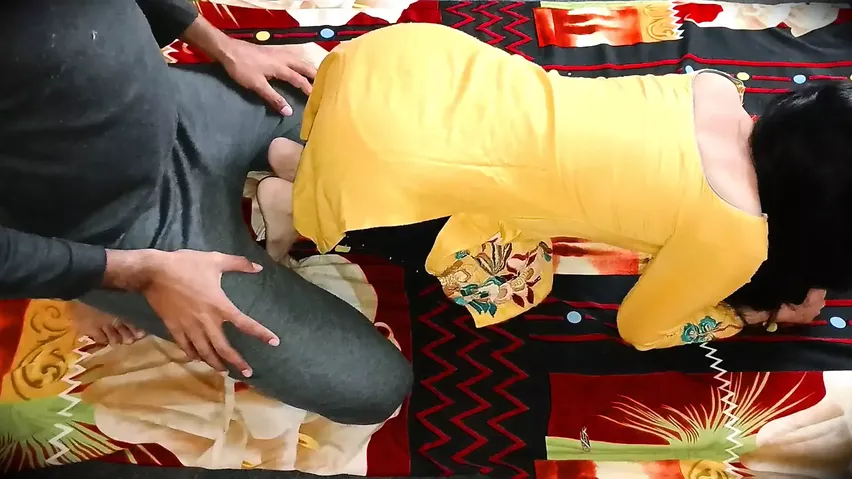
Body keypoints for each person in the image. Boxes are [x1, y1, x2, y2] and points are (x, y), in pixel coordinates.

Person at [258, 23, 852, 350]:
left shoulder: (716, 88)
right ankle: (296, 206)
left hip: (408, 64)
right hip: (395, 164)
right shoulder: (735, 235)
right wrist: (748, 316)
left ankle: (306, 161)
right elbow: (642, 329)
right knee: (518, 284)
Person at [0, 0, 412, 426]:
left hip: (176, 105)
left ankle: (287, 194)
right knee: (374, 388)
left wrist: (221, 44)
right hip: (116, 229)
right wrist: (105, 273)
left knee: (411, 141)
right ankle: (92, 288)